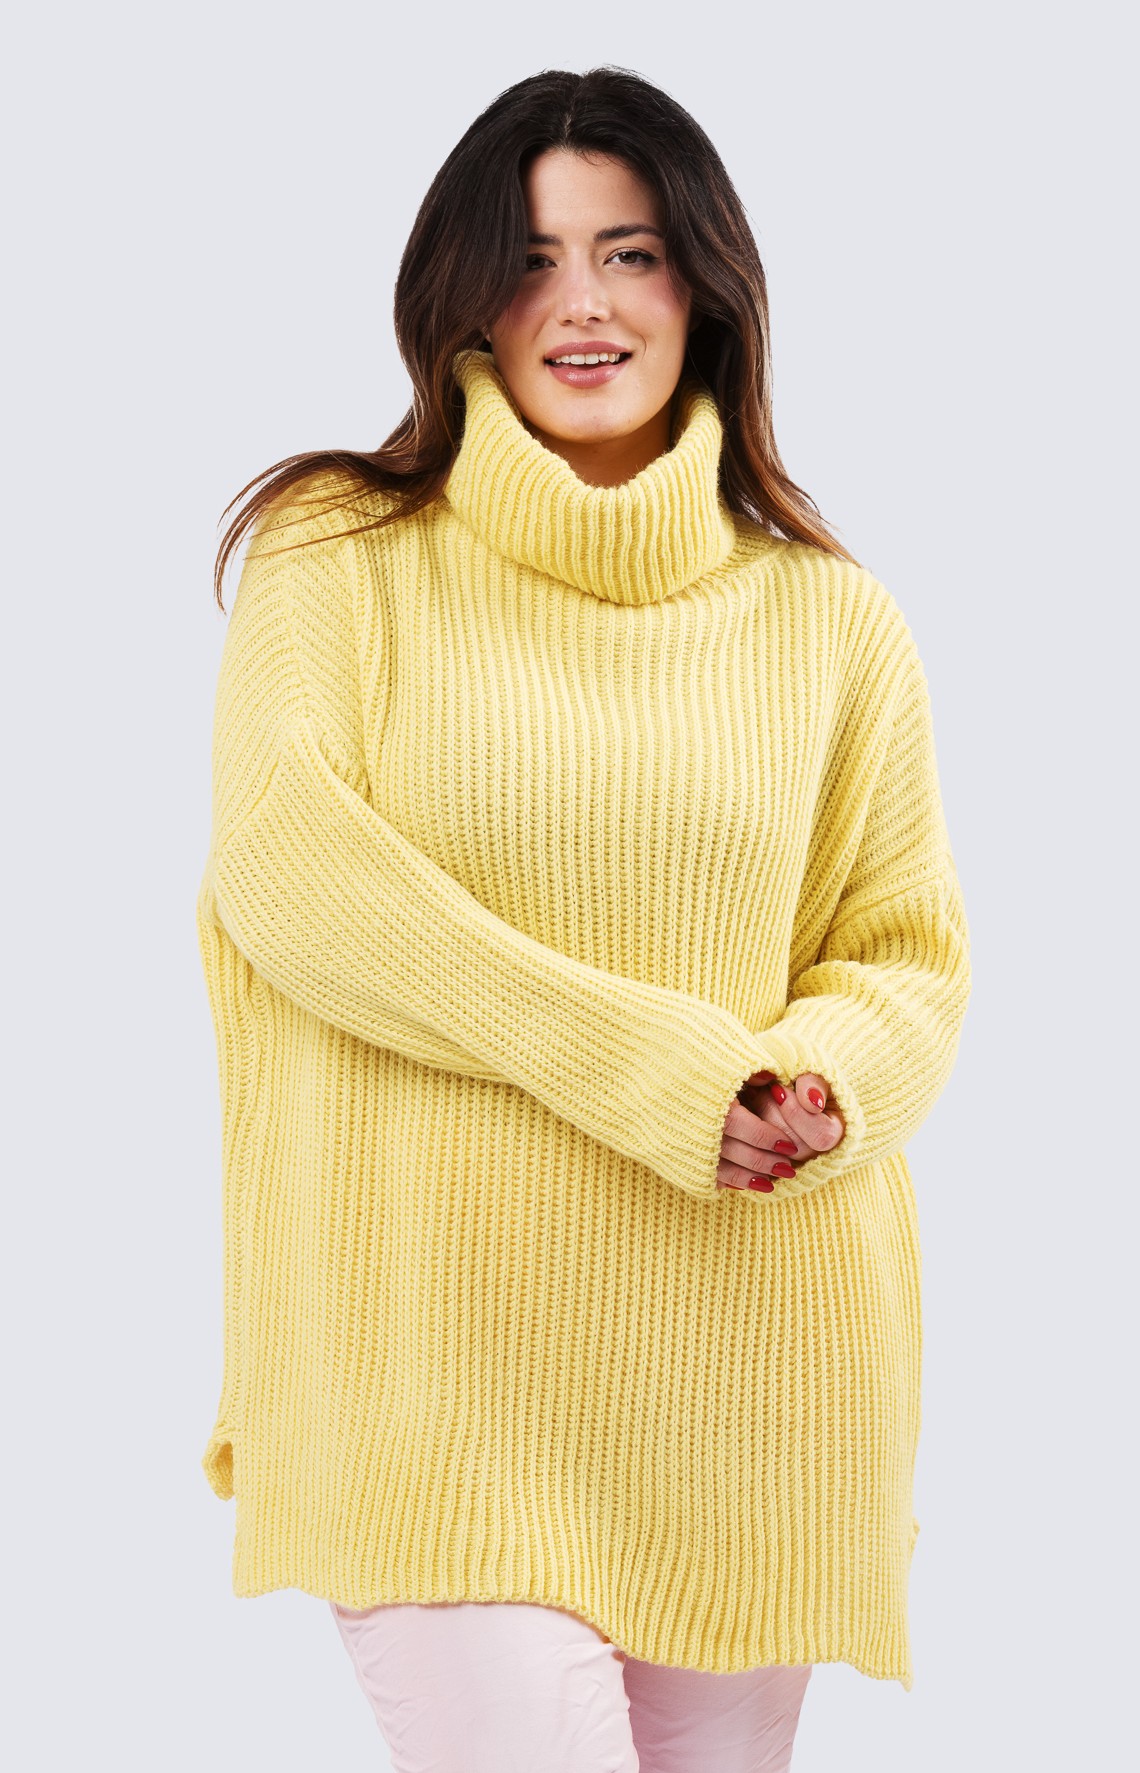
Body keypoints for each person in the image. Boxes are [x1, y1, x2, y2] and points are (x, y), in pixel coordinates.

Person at [198, 65, 971, 1773]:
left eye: (628, 253)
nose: (583, 303)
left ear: (705, 285)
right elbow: (292, 872)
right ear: (465, 296)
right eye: (532, 258)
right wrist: (659, 1069)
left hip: (751, 1376)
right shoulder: (338, 553)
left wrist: (815, 1089)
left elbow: (903, 955)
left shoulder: (831, 618)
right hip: (428, 1366)